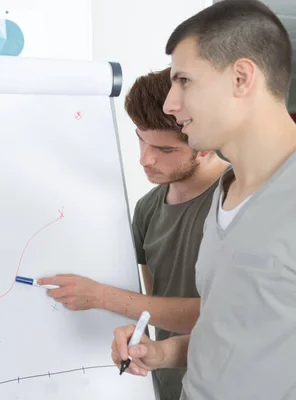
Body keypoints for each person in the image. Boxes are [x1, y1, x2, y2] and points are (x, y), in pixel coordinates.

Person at [110, 1, 296, 399]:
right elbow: (228, 336)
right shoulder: (225, 196)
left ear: (241, 77)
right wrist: (162, 351)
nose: (169, 104)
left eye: (185, 81)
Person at [38, 67, 228, 399]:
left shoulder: (241, 203)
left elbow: (222, 316)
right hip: (170, 385)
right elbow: (153, 307)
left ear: (205, 144)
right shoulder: (147, 208)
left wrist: (100, 296)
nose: (144, 159)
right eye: (140, 139)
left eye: (165, 150)